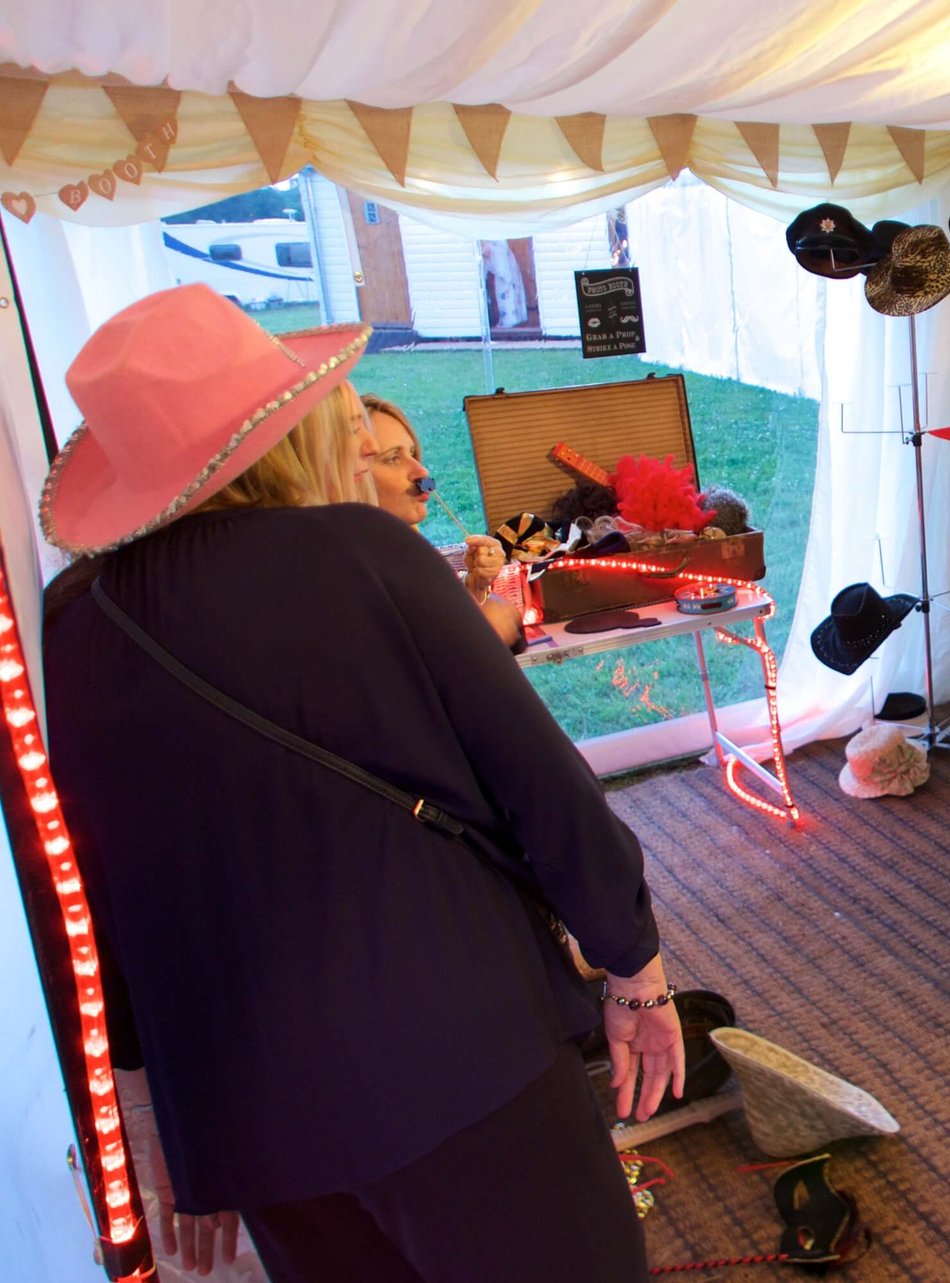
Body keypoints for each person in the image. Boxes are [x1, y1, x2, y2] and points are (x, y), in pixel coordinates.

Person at [40, 285, 682, 1281]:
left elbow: (96, 888)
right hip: (453, 1049)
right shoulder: (363, 550)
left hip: (240, 1098)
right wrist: (634, 970)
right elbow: (543, 785)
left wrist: (149, 1097)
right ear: (282, 428)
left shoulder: (77, 618)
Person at [362, 392, 522, 648]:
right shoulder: (358, 579)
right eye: (393, 458)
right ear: (353, 473)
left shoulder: (402, 552)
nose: (421, 471)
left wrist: (475, 588)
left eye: (412, 453)